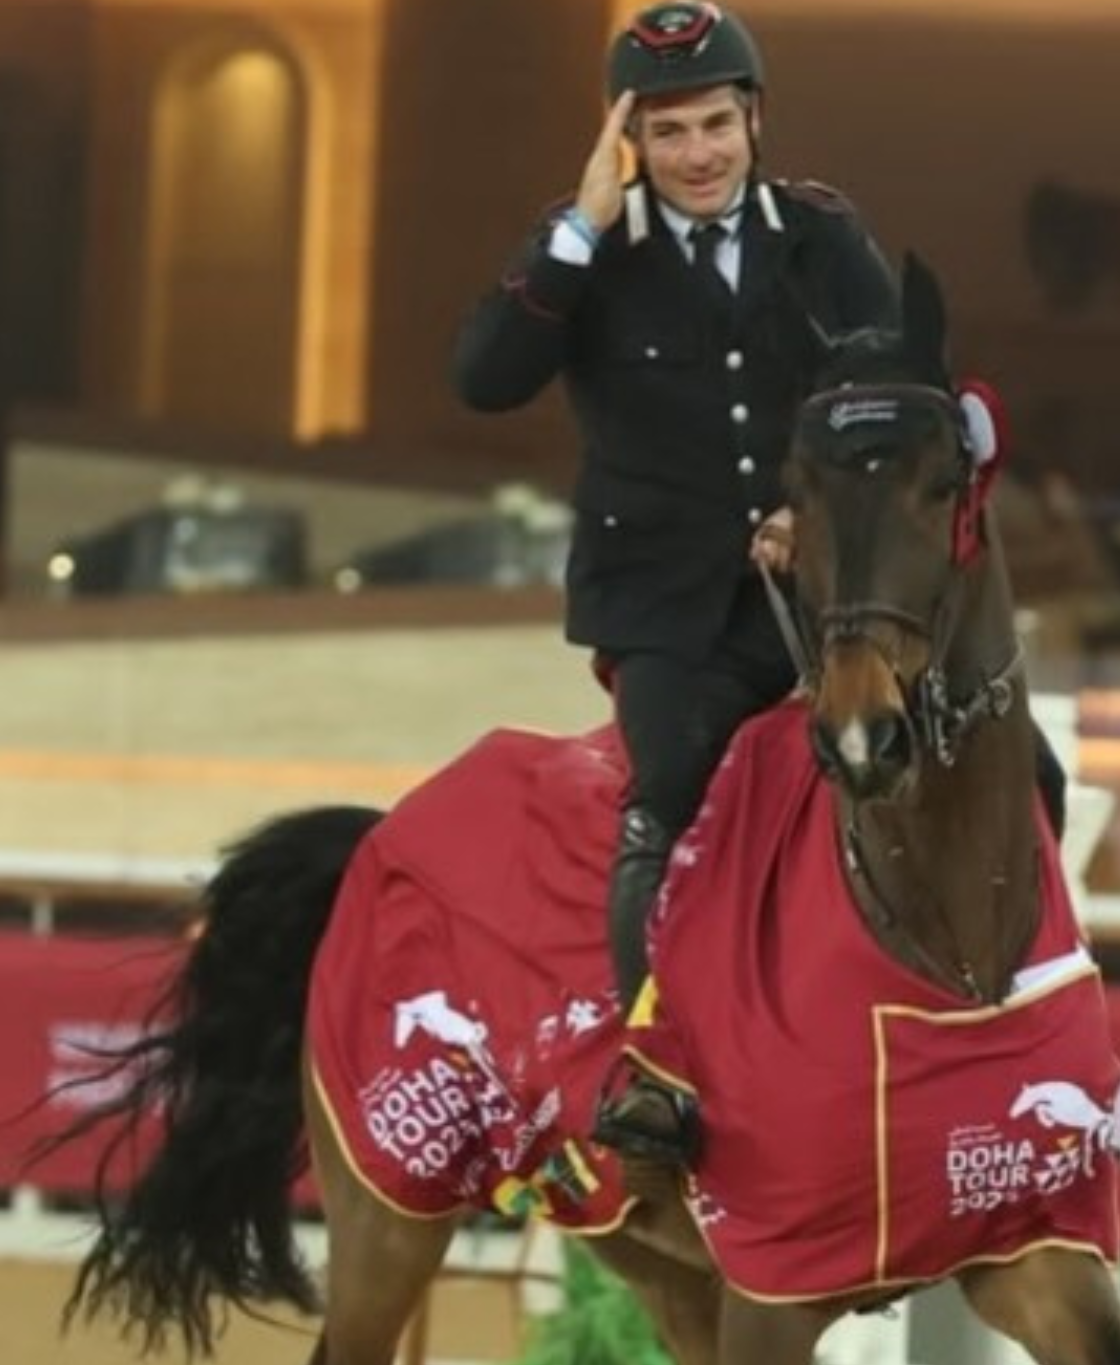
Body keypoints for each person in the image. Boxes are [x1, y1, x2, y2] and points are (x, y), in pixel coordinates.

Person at [451, 1, 899, 1162]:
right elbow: (485, 381)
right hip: (661, 609)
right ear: (627, 141)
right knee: (672, 794)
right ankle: (653, 1074)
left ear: (753, 120)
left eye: (714, 124)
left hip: (824, 594)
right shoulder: (586, 248)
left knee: (968, 750)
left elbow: (897, 393)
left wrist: (815, 508)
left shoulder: (820, 236)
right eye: (667, 132)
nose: (697, 154)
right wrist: (580, 230)